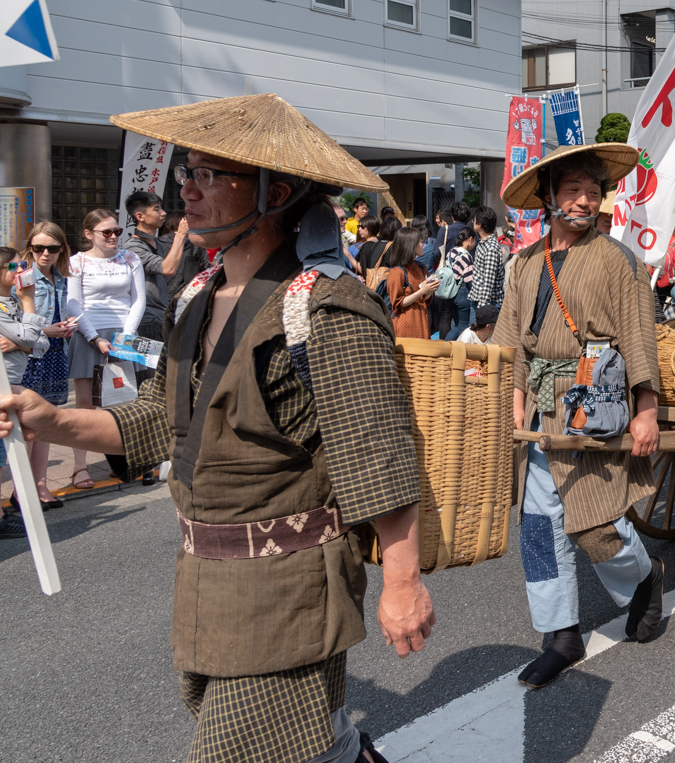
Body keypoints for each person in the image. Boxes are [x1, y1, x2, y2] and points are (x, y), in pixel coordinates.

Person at [0, 94, 432, 763]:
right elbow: (156, 424)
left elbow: (377, 452)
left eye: (209, 176)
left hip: (290, 590)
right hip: (205, 579)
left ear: (274, 192)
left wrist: (403, 581)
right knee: (305, 745)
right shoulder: (197, 297)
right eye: (187, 174)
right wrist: (50, 419)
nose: (188, 192)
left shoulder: (328, 307)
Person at [493, 141, 664, 689]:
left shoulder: (619, 262)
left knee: (595, 520)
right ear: (548, 198)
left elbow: (638, 339)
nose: (586, 201)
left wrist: (647, 410)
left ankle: (643, 580)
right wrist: (509, 401)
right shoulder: (522, 263)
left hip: (593, 396)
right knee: (540, 529)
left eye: (593, 192)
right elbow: (511, 345)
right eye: (573, 191)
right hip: (538, 411)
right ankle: (560, 634)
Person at [65, 209, 146, 489]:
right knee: (85, 406)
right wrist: (93, 336)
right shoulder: (77, 262)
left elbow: (138, 299)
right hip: (89, 334)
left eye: (117, 231)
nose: (113, 237)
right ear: (89, 234)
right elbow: (73, 303)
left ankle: (125, 462)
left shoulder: (130, 258)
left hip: (124, 335)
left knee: (125, 402)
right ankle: (79, 467)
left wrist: (128, 335)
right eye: (106, 232)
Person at [18, 223, 74, 509]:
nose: (45, 254)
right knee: (26, 424)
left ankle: (40, 485)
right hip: (29, 356)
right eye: (38, 248)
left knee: (45, 423)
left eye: (52, 248)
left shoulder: (61, 278)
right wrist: (45, 331)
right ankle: (22, 490)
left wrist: (65, 328)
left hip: (55, 354)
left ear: (61, 250)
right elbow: (12, 323)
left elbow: (59, 314)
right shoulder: (21, 278)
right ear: (30, 248)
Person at [0, 246, 48, 533]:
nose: (20, 271)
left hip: (15, 384)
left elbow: (40, 344)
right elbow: (32, 334)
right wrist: (29, 302)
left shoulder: (14, 304)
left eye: (22, 265)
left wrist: (19, 344)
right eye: (12, 267)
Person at [121, 190, 190, 344]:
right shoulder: (132, 248)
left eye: (161, 208)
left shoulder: (158, 242)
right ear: (140, 216)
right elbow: (168, 269)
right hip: (146, 318)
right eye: (156, 209)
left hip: (160, 315)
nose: (163, 213)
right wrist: (180, 235)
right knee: (150, 368)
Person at [387, 226, 439, 339]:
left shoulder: (421, 267)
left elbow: (423, 299)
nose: (423, 245)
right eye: (420, 242)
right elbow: (397, 304)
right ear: (410, 246)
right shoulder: (397, 272)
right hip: (406, 324)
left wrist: (430, 290)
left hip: (422, 320)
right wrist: (422, 291)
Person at [161, 210, 209, 301]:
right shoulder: (196, 244)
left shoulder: (158, 243)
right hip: (189, 295)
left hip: (162, 295)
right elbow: (206, 268)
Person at [468, 206, 508, 312]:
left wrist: (482, 310)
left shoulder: (491, 248)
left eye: (474, 220)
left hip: (488, 303)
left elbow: (488, 282)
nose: (473, 222)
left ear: (479, 225)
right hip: (478, 299)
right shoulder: (482, 243)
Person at [439, 227, 475, 341]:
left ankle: (447, 346)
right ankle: (452, 350)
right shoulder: (466, 256)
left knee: (457, 324)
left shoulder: (451, 252)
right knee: (463, 327)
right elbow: (470, 279)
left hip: (450, 293)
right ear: (470, 239)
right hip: (462, 293)